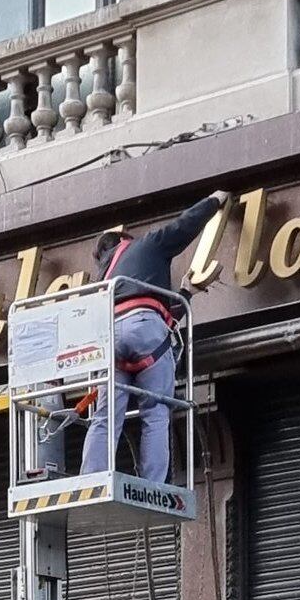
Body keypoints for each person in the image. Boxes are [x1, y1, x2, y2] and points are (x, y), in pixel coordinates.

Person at [80, 190, 229, 485]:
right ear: (124, 240)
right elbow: (184, 225)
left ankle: (91, 478)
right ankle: (153, 485)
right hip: (146, 331)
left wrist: (185, 293)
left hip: (110, 340)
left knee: (106, 416)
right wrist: (214, 199)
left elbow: (157, 312)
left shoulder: (103, 281)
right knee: (156, 412)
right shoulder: (146, 246)